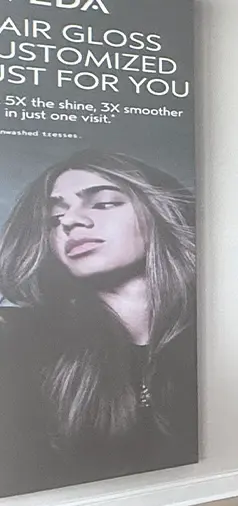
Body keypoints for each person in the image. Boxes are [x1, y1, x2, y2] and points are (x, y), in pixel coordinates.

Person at [0, 150, 198, 496]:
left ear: (157, 213)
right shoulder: (16, 341)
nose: (69, 222)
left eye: (104, 203)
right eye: (54, 217)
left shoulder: (210, 332)